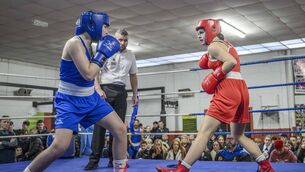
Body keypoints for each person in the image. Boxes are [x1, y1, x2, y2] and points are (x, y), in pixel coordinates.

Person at [156, 19, 274, 172]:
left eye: (201, 32)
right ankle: (267, 167)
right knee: (239, 135)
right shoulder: (227, 44)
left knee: (204, 134)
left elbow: (230, 62)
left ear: (211, 30)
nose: (199, 36)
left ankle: (181, 170)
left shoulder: (213, 46)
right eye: (197, 33)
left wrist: (214, 76)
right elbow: (223, 60)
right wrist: (208, 60)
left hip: (228, 89)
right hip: (241, 89)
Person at [23, 11, 127, 172]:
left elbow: (94, 75)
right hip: (70, 101)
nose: (108, 31)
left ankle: (120, 170)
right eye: (106, 27)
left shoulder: (91, 45)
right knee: (59, 146)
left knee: (120, 129)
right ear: (94, 25)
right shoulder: (74, 44)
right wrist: (103, 55)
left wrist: (97, 88)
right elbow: (88, 73)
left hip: (90, 98)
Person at [85, 28, 138, 170]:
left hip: (121, 91)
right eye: (120, 39)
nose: (123, 42)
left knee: (118, 128)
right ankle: (94, 160)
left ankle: (114, 159)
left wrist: (135, 93)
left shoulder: (131, 55)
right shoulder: (106, 50)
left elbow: (133, 75)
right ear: (115, 39)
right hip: (105, 89)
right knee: (99, 127)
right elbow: (95, 69)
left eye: (125, 40)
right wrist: (97, 88)